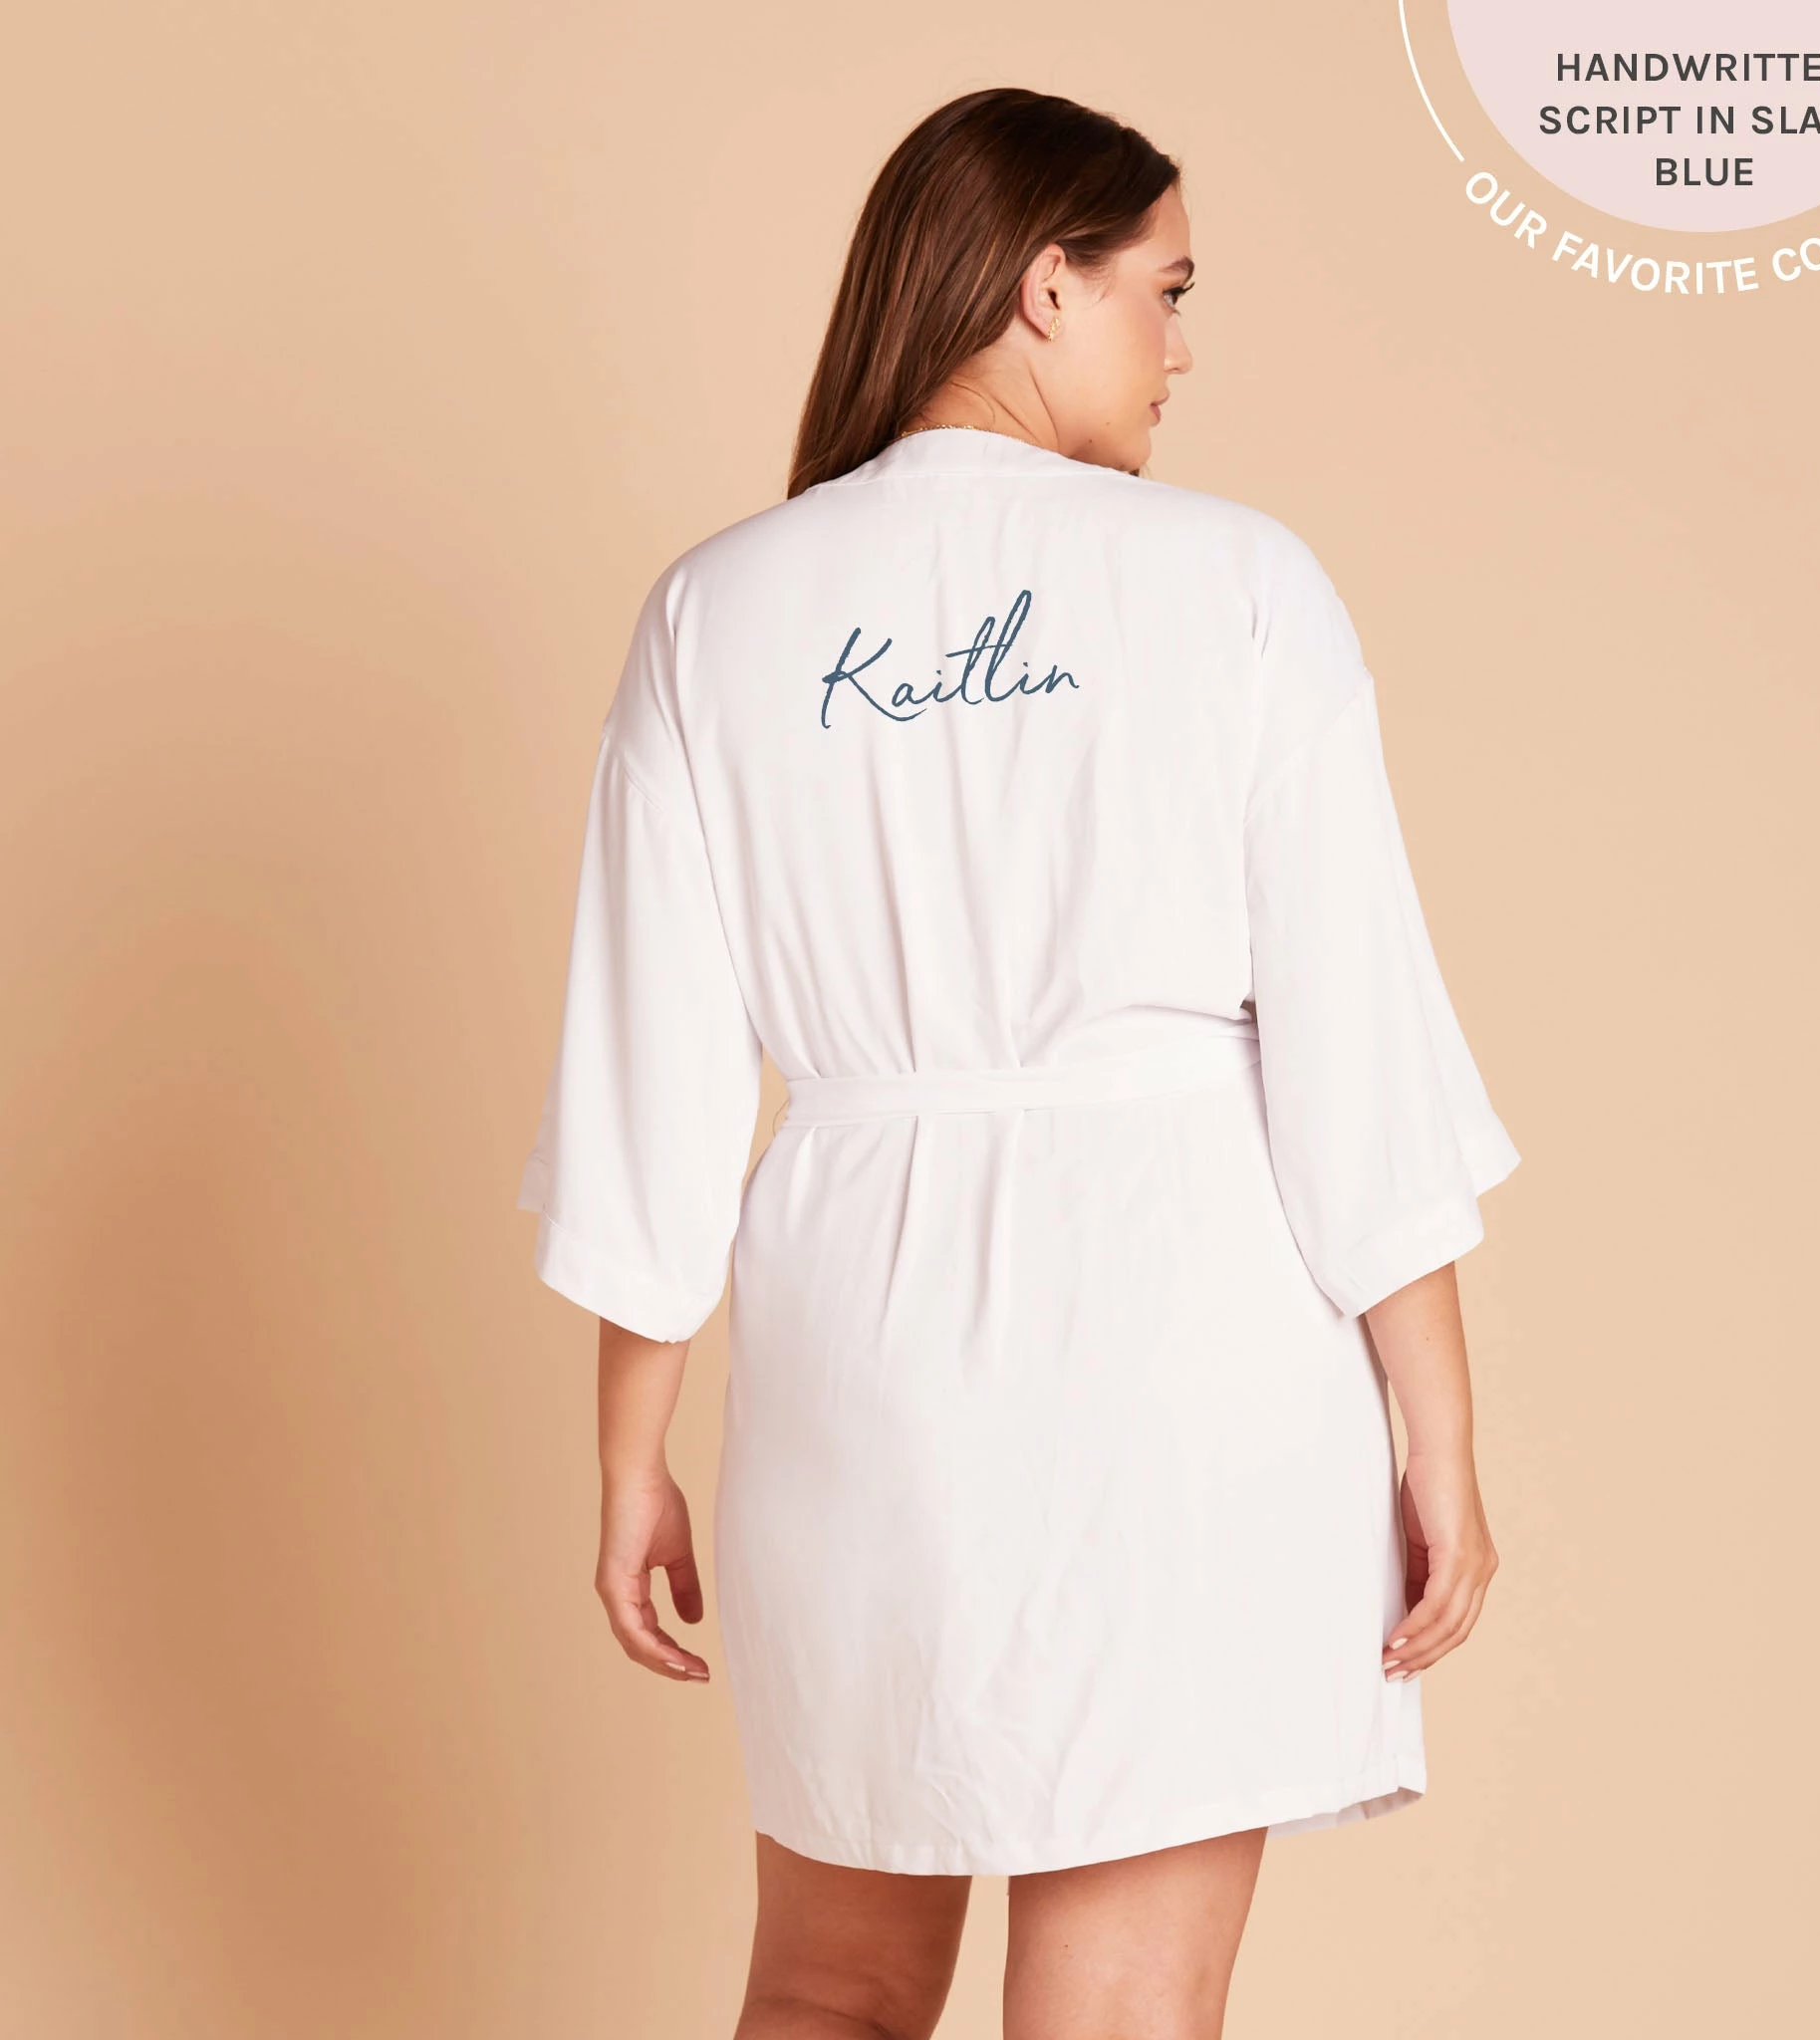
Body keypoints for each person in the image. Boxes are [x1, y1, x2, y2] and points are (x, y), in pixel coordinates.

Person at [517, 85, 1518, 2040]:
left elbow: (648, 1090)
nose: (1180, 347)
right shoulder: (1238, 579)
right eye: (1165, 289)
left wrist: (632, 1459)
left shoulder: (717, 609)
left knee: (825, 1993)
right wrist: (1442, 1438)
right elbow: (1359, 1055)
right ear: (1045, 287)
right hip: (1186, 1352)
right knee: (1118, 2015)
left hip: (857, 1362)